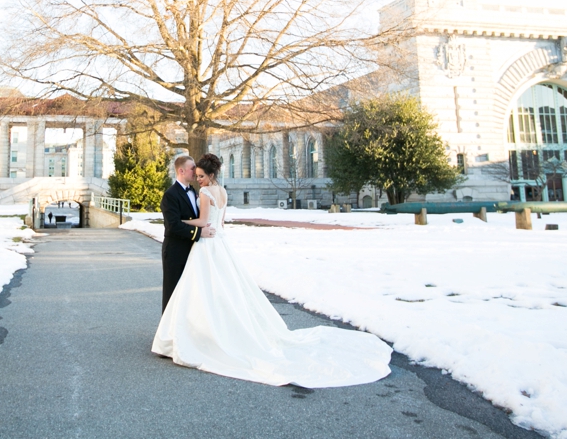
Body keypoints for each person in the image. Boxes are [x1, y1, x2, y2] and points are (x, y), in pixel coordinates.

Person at [152, 153, 392, 388]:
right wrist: (197, 229)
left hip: (207, 244)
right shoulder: (189, 193)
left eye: (200, 172)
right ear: (182, 170)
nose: (197, 175)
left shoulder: (201, 191)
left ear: (209, 174)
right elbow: (190, 225)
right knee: (186, 291)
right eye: (194, 170)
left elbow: (204, 221)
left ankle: (199, 335)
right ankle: (175, 335)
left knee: (209, 291)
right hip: (195, 247)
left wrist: (196, 228)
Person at [160, 155, 216, 311]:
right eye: (192, 168)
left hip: (193, 249)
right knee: (173, 292)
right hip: (175, 251)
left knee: (190, 293)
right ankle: (168, 332)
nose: (195, 170)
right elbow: (173, 226)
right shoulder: (170, 195)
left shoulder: (194, 191)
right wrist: (199, 233)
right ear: (181, 171)